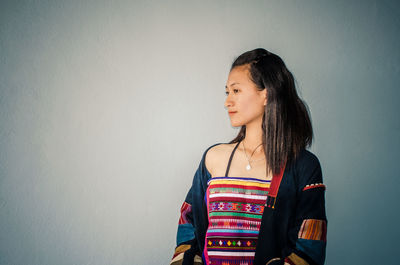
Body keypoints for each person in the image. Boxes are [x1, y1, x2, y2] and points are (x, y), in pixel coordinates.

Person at [170, 48, 327, 265]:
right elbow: (188, 228)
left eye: (236, 91)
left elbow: (310, 246)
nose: (227, 102)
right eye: (227, 92)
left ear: (267, 94)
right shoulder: (213, 158)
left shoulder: (303, 166)